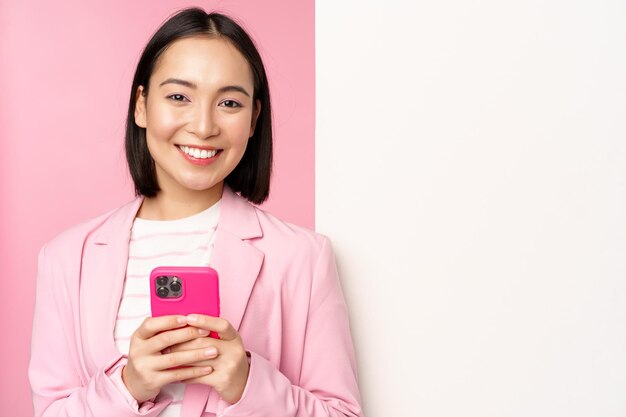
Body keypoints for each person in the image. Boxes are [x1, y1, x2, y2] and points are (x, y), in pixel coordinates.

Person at [28, 7, 363, 417]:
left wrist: (246, 384)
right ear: (141, 106)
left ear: (254, 118)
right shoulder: (66, 258)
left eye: (229, 102)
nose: (204, 126)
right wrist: (129, 387)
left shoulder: (303, 257)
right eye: (179, 97)